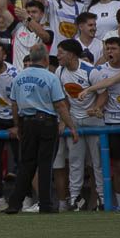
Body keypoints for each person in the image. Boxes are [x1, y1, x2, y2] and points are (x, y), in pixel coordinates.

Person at [8, 44, 80, 214]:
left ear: (31, 58)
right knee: (45, 164)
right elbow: (60, 105)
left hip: (27, 122)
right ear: (46, 59)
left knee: (26, 164)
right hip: (47, 122)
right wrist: (71, 127)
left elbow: (14, 104)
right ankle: (46, 204)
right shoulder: (50, 77)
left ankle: (14, 203)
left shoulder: (19, 77)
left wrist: (18, 125)